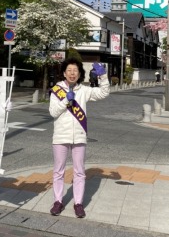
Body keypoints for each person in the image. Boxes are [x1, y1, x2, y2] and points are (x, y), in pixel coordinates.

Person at [49, 58, 110, 219]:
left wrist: (103, 77)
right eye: (69, 70)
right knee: (58, 171)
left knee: (80, 172)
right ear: (64, 72)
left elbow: (104, 93)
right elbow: (53, 112)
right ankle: (57, 201)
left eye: (75, 70)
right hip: (61, 136)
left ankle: (78, 203)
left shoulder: (84, 90)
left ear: (80, 74)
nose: (72, 73)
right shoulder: (56, 89)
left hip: (80, 136)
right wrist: (66, 101)